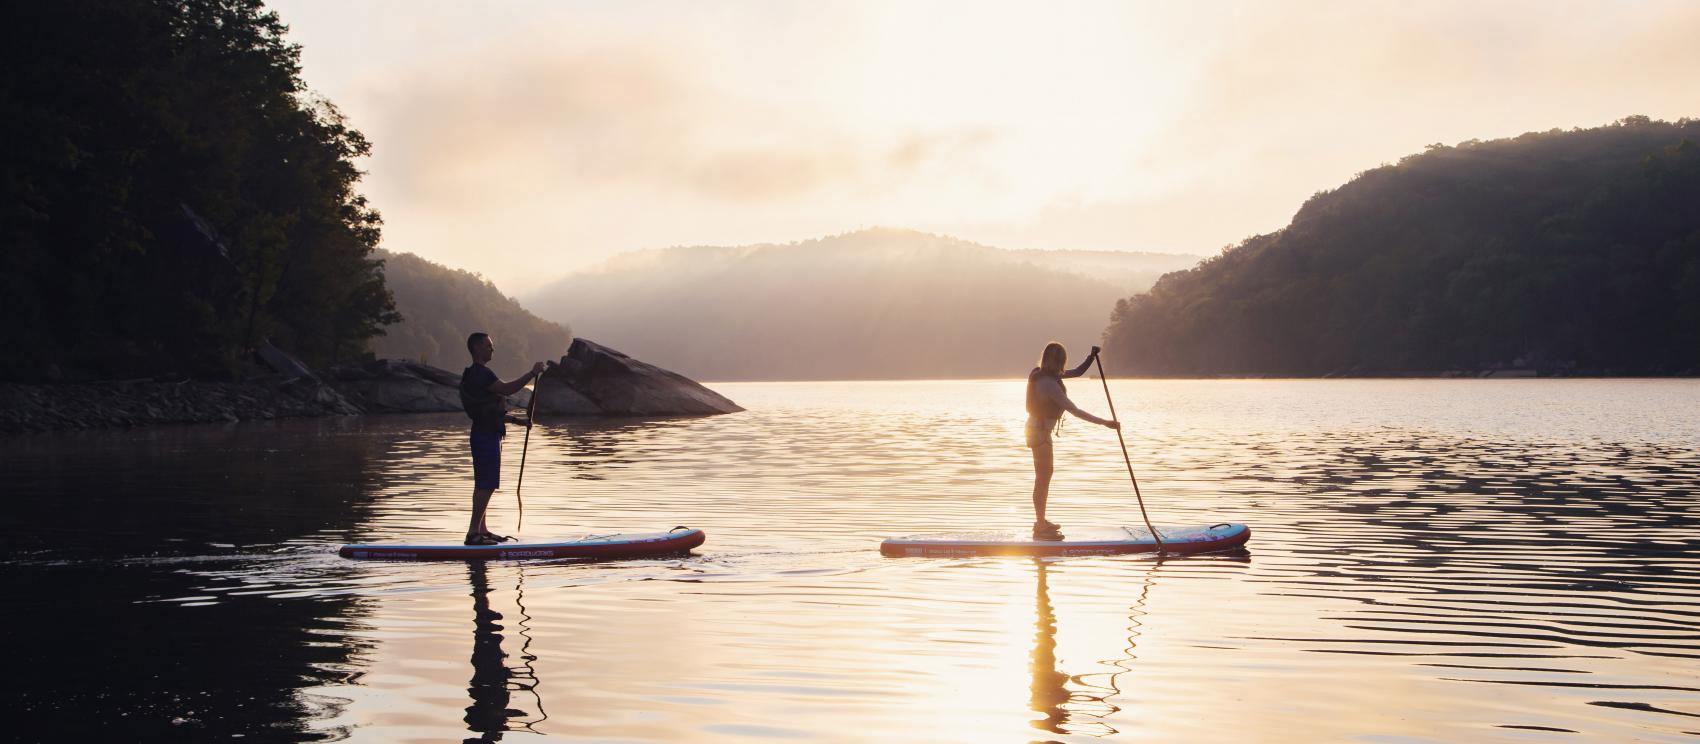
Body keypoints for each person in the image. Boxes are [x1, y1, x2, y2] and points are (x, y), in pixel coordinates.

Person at [460, 332, 547, 546]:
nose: (492, 349)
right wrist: (531, 373)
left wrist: (517, 421)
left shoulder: (478, 374)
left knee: (485, 483)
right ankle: (473, 534)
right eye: (489, 346)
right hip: (484, 435)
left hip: (488, 433)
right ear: (477, 347)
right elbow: (507, 389)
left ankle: (482, 529)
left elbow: (490, 411)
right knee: (486, 484)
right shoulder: (480, 374)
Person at [1025, 342, 1118, 539]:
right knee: (1042, 478)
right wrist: (1104, 423)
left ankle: (1040, 522)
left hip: (1038, 431)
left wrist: (1091, 357)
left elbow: (1076, 372)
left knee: (1045, 476)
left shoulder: (1044, 373)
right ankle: (1040, 525)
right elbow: (1074, 411)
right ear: (1059, 360)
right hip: (1039, 432)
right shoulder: (1048, 384)